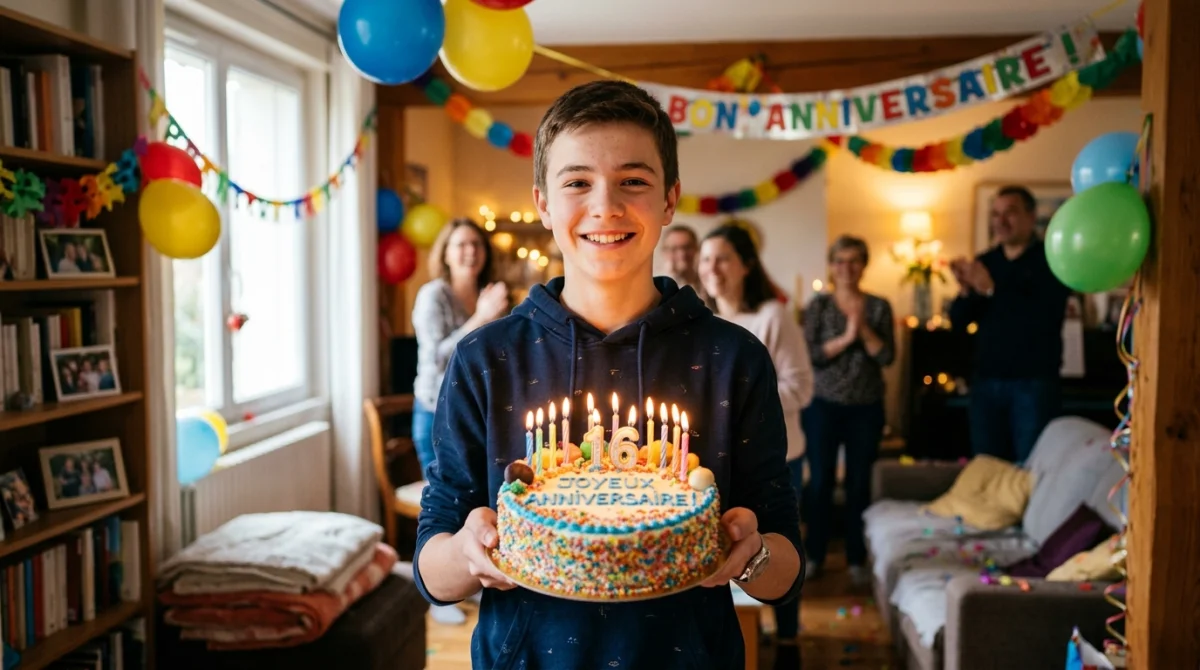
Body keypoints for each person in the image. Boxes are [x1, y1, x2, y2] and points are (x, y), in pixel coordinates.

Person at [413, 80, 804, 669]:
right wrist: (468, 553)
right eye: (577, 182)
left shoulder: (733, 358)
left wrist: (751, 554)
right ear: (543, 201)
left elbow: (785, 563)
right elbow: (433, 564)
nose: (605, 206)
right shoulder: (484, 359)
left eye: (634, 181)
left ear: (670, 200)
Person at [698, 224, 813, 659]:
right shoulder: (699, 324)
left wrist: (741, 403)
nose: (713, 269)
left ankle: (787, 637)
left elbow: (801, 387)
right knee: (726, 550)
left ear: (746, 265)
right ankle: (746, 631)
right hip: (718, 462)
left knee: (777, 545)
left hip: (778, 454)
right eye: (706, 260)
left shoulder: (772, 315)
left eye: (723, 259)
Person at [410, 216, 508, 625]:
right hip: (434, 411)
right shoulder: (434, 295)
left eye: (476, 245)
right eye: (460, 244)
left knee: (480, 504)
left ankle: (473, 580)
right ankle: (439, 597)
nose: (469, 251)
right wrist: (481, 318)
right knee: (444, 505)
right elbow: (436, 357)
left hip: (477, 414)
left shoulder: (488, 294)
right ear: (445, 253)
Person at [950, 185, 1071, 465]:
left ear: (1031, 217)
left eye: (1010, 213)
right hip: (986, 382)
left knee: (1030, 467)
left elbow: (1042, 315)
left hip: (1033, 383)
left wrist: (991, 290)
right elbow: (959, 320)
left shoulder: (1052, 262)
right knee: (987, 468)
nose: (1001, 222)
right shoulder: (986, 261)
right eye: (995, 214)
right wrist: (967, 290)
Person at [802, 235, 895, 586]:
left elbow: (887, 356)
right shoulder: (818, 307)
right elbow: (811, 354)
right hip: (823, 407)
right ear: (831, 265)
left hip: (866, 409)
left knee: (859, 485)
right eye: (840, 260)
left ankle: (857, 558)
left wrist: (863, 329)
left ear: (864, 265)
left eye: (854, 260)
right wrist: (847, 336)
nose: (847, 268)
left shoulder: (879, 306)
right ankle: (814, 555)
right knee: (821, 482)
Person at [660, 223, 705, 299]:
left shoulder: (709, 282)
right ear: (664, 252)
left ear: (697, 249)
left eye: (687, 247)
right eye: (674, 249)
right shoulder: (654, 287)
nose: (682, 254)